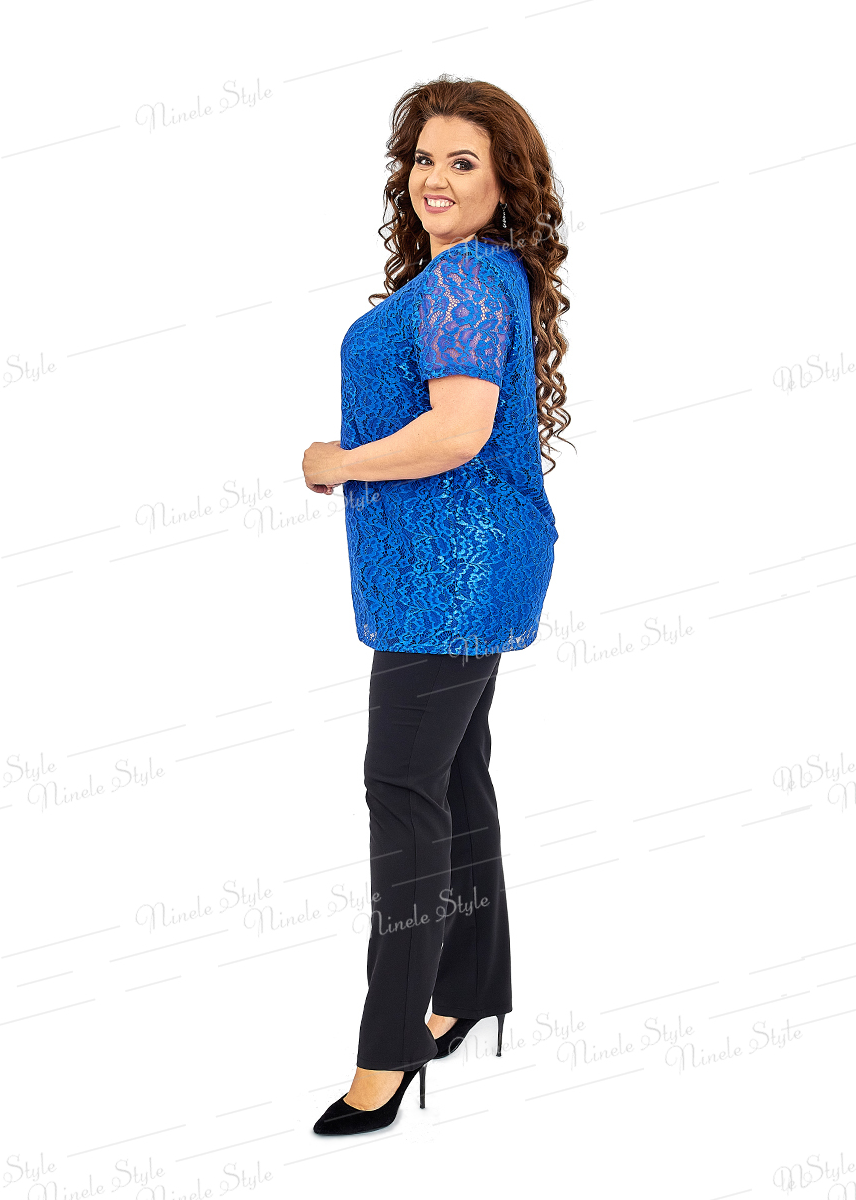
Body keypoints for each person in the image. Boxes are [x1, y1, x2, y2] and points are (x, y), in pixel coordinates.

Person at [302, 74, 573, 1136]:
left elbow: (459, 430)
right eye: (424, 159)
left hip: (447, 578)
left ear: (507, 184)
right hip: (464, 566)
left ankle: (387, 1054)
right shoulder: (476, 274)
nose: (436, 179)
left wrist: (338, 461)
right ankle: (469, 990)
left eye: (464, 162)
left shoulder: (464, 283)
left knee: (402, 790)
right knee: (455, 778)